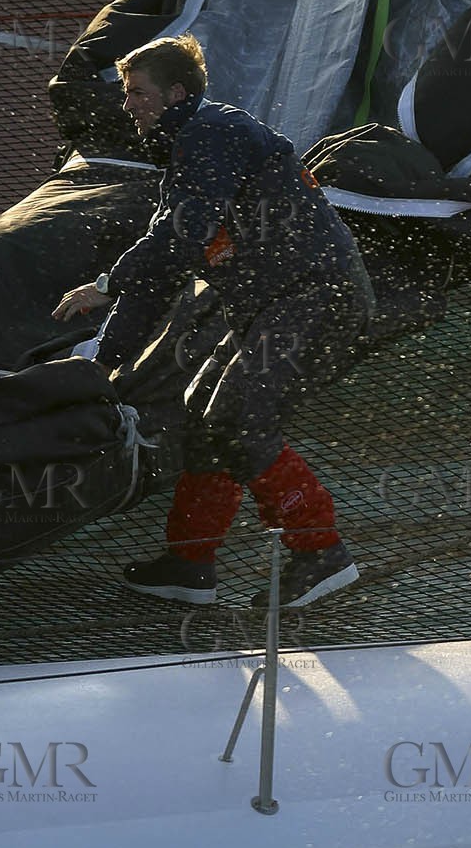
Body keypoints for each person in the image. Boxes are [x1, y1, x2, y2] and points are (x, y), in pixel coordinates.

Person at [52, 34, 375, 609]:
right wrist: (105, 364)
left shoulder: (212, 134)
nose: (128, 105)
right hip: (271, 307)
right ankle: (189, 563)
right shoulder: (185, 157)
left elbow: (181, 237)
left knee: (240, 415)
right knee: (203, 412)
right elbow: (162, 271)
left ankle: (321, 553)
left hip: (317, 295)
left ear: (177, 93)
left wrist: (104, 285)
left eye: (138, 92)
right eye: (126, 93)